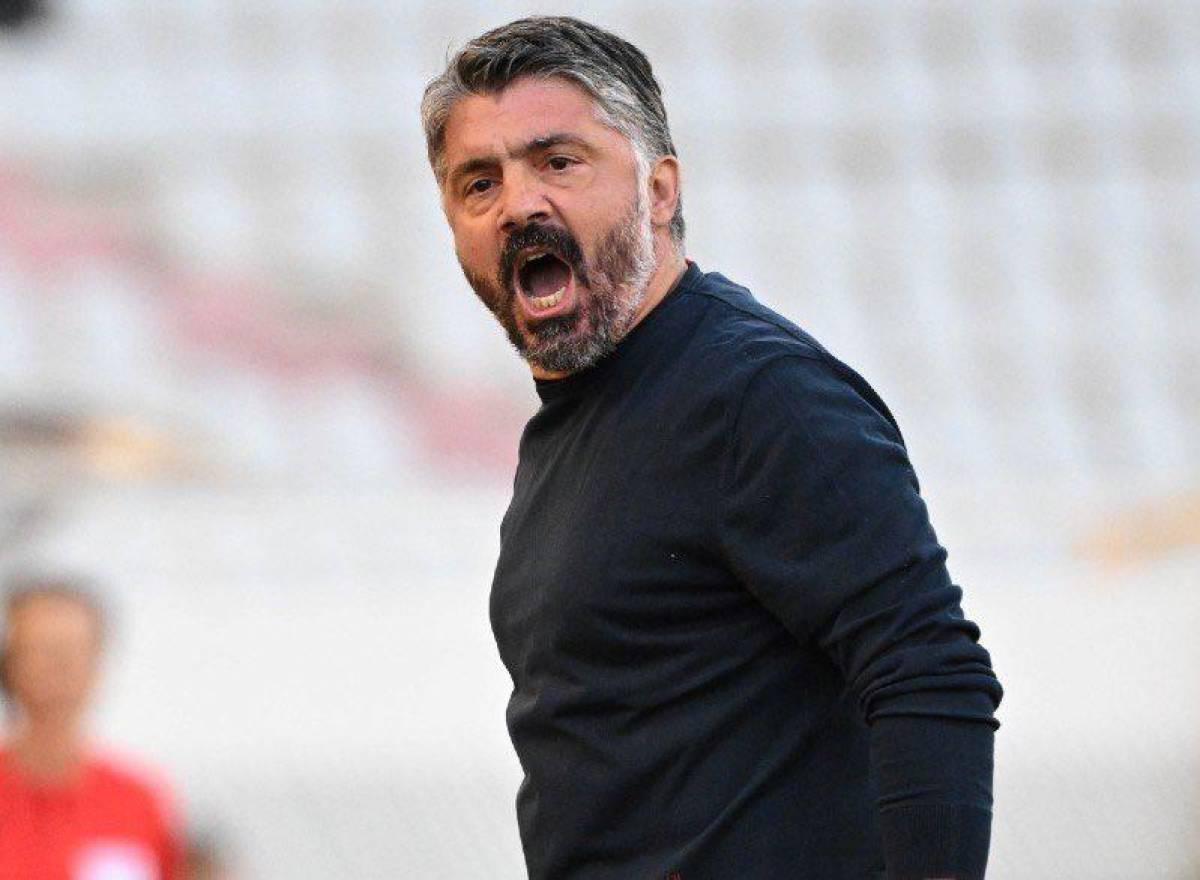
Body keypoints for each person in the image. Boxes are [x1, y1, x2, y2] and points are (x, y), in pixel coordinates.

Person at [421, 16, 1003, 880]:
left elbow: (929, 671)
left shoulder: (758, 394)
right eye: (479, 183)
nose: (519, 205)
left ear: (659, 191)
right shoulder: (577, 420)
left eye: (559, 162)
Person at [0, 575, 183, 880]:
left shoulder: (137, 801)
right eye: (42, 651)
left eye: (73, 652)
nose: (59, 670)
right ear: (10, 663)